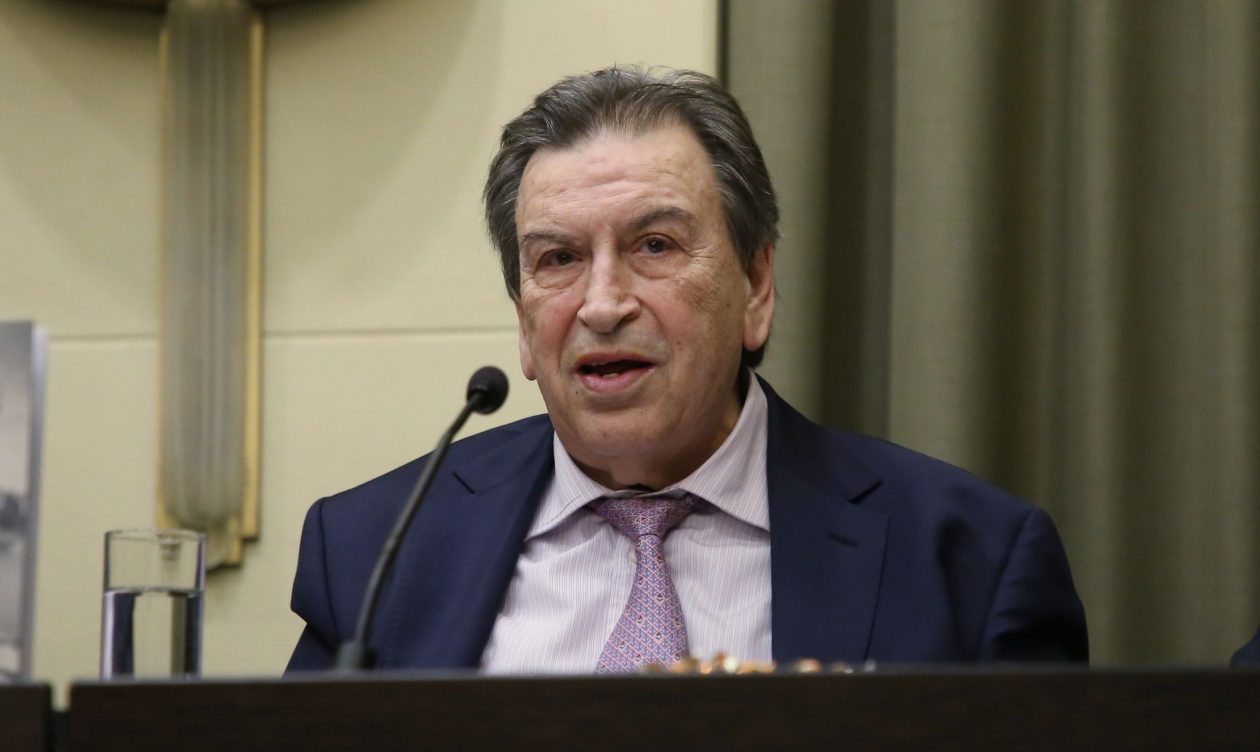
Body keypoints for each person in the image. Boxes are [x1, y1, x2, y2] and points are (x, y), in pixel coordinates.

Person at [287, 66, 1087, 673]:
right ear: (524, 322)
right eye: (558, 259)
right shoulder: (373, 552)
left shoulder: (968, 561)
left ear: (757, 287)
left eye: (655, 246)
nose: (603, 304)